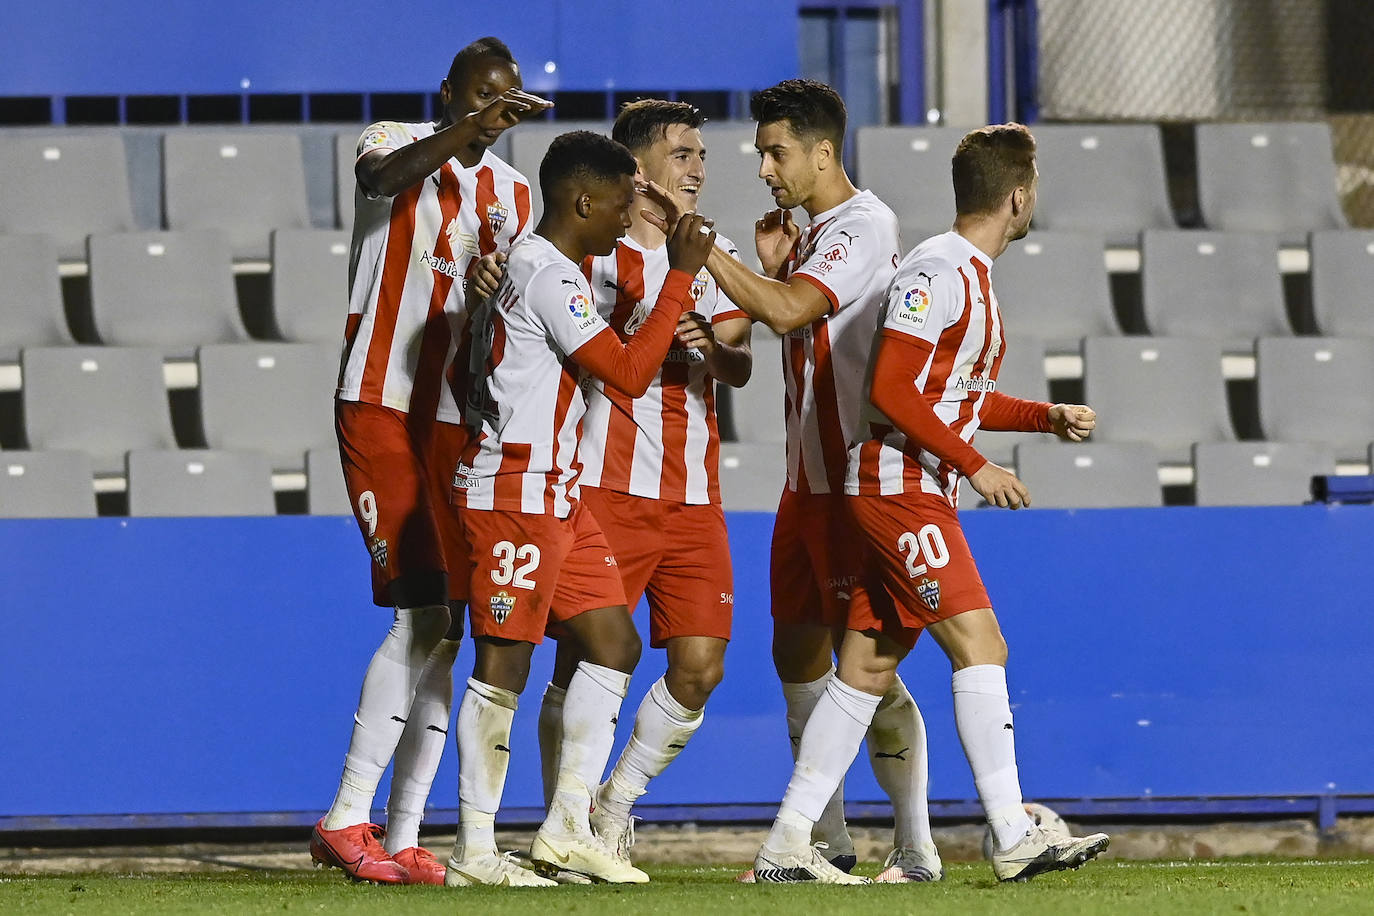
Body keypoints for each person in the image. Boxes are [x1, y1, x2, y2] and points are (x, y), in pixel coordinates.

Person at [753, 123, 1110, 884]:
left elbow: (953, 396)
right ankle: (1013, 832)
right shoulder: (936, 272)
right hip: (900, 491)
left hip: (911, 485)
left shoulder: (967, 273)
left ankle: (787, 843)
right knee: (982, 645)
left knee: (865, 667)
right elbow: (889, 391)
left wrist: (1041, 417)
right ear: (1019, 195)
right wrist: (976, 465)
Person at [648, 79, 941, 882]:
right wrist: (776, 260)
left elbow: (784, 314)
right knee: (798, 658)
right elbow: (790, 313)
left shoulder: (863, 223)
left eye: (775, 153)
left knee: (868, 672)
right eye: (761, 155)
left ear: (823, 151)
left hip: (857, 485)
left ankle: (913, 844)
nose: (765, 170)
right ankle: (832, 843)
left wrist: (707, 249)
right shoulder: (815, 237)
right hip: (805, 485)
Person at [444, 130, 717, 886]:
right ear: (583, 201)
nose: (629, 217)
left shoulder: (549, 266)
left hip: (558, 496)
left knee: (613, 644)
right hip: (513, 493)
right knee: (504, 662)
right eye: (622, 202)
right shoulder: (545, 274)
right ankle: (472, 849)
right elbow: (628, 374)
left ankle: (568, 830)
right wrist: (681, 277)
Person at [309, 37, 551, 886]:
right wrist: (469, 126)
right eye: (483, 96)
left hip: (452, 416)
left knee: (448, 622)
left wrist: (485, 307)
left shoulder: (516, 194)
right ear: (449, 92)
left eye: (508, 98)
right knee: (420, 612)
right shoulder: (394, 141)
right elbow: (379, 182)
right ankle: (347, 816)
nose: (497, 110)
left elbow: (497, 322)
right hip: (378, 403)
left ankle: (406, 835)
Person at [529, 100, 753, 868]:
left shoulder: (708, 255)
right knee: (583, 659)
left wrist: (711, 351)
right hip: (605, 485)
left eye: (700, 156)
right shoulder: (595, 254)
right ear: (638, 169)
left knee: (701, 666)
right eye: (684, 154)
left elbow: (740, 361)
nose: (698, 168)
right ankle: (564, 820)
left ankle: (614, 802)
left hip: (695, 492)